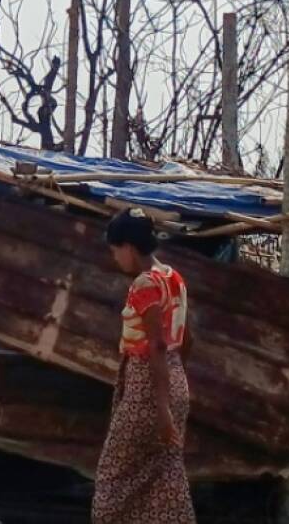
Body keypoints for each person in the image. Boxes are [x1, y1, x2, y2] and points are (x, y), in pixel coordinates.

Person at [92, 208, 196, 524]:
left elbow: (157, 345)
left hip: (148, 390)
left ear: (128, 247)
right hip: (174, 382)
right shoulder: (172, 277)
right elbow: (186, 338)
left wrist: (162, 408)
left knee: (112, 480)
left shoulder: (144, 284)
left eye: (114, 250)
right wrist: (176, 384)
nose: (115, 258)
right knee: (164, 476)